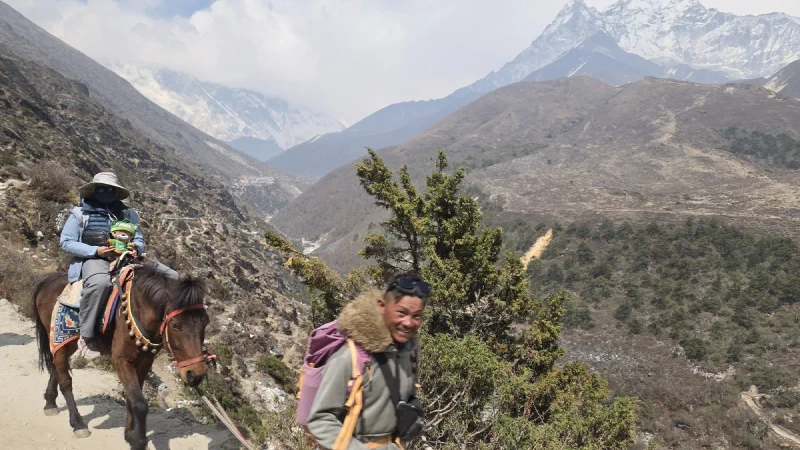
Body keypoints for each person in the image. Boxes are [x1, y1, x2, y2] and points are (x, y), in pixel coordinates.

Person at [59, 172, 178, 359]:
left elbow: (138, 238)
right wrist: (95, 251)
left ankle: (170, 329)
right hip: (95, 259)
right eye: (102, 189)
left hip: (128, 257)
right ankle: (86, 335)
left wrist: (135, 248)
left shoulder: (128, 214)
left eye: (110, 189)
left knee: (173, 277)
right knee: (100, 284)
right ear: (94, 190)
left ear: (116, 192)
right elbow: (66, 242)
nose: (106, 192)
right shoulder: (80, 214)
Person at [306, 272, 429, 450]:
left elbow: (404, 398)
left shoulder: (407, 353)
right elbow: (320, 419)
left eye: (416, 316)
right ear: (382, 306)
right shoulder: (349, 357)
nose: (408, 323)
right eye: (401, 313)